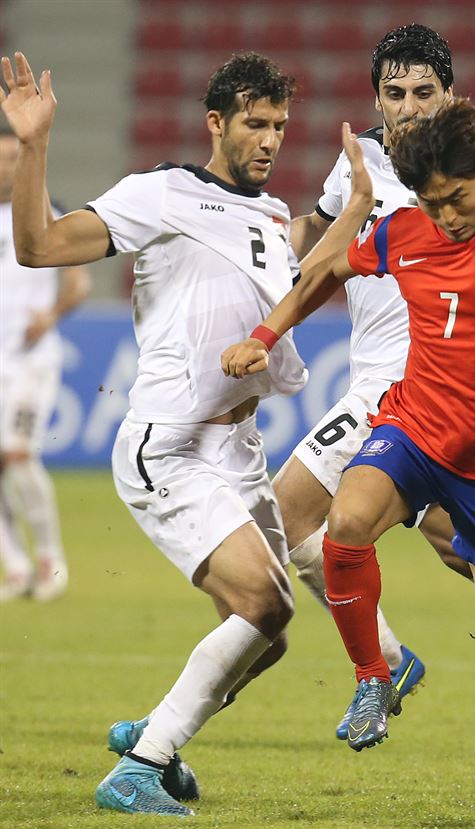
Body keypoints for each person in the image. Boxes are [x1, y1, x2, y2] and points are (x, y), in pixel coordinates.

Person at [0, 49, 371, 816]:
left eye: (279, 125)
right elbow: (37, 246)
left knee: (267, 637)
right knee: (267, 607)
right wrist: (34, 145)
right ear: (216, 123)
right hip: (168, 445)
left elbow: (313, 252)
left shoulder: (269, 216)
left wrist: (357, 207)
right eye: (255, 123)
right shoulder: (161, 194)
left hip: (237, 448)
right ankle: (142, 762)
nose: (270, 139)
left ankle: (157, 733)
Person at [222, 98, 475, 753]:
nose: (444, 215)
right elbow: (326, 269)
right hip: (413, 425)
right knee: (347, 525)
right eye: (431, 201)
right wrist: (265, 334)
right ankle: (372, 678)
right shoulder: (406, 230)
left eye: (457, 198)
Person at [0, 125, 91, 603]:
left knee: (17, 454)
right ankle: (14, 568)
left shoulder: (43, 212)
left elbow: (79, 285)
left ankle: (51, 561)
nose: (7, 168)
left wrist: (50, 317)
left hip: (30, 360)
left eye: (14, 160)